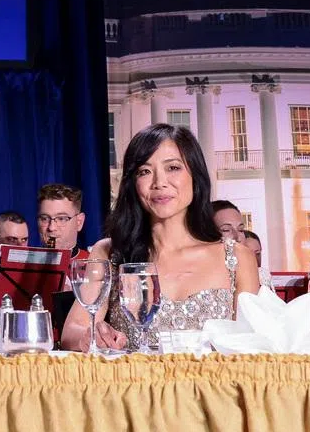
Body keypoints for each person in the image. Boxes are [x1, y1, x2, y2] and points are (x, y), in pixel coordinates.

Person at [60, 123, 260, 352]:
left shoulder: (237, 258)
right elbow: (73, 330)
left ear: (195, 175)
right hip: (133, 386)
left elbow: (250, 350)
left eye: (173, 168)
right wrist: (92, 335)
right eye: (145, 171)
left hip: (213, 387)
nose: (159, 183)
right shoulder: (109, 253)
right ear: (132, 183)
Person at [37, 184, 85, 251]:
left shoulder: (94, 260)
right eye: (45, 219)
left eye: (61, 219)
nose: (51, 228)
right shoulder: (23, 261)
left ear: (79, 222)